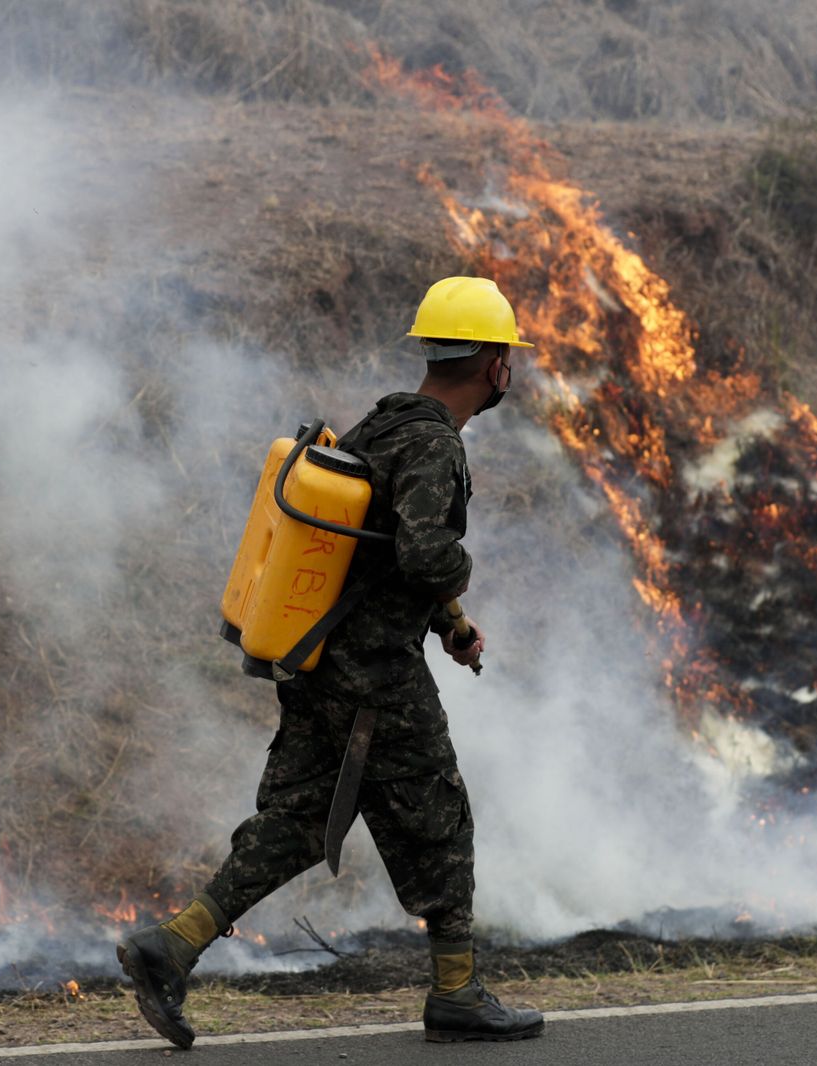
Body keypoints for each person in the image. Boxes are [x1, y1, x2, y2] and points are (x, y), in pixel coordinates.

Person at [117, 277, 545, 1046]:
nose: (508, 368)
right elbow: (424, 554)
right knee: (441, 820)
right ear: (493, 364)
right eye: (507, 356)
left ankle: (170, 947)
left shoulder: (381, 426)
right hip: (376, 676)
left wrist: (451, 625)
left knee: (296, 822)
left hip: (319, 662)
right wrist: (459, 574)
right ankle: (457, 992)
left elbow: (373, 553)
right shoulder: (435, 443)